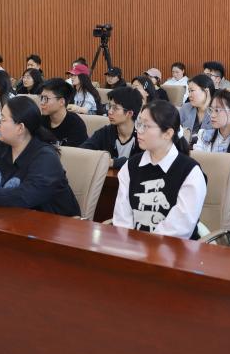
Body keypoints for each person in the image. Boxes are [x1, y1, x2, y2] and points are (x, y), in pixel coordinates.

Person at [112, 100, 207, 238]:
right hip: (131, 246)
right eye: (139, 124)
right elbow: (122, 219)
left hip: (173, 247)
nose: (139, 130)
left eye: (146, 126)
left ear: (167, 133)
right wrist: (129, 245)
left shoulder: (190, 172)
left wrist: (145, 246)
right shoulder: (131, 166)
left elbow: (179, 228)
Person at [81, 86, 142, 169]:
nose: (109, 112)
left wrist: (114, 162)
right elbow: (82, 151)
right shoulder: (105, 132)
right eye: (109, 106)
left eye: (115, 108)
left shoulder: (142, 136)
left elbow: (145, 162)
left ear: (129, 113)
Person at [36, 77, 88, 147]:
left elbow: (75, 152)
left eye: (46, 98)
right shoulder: (39, 121)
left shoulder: (76, 125)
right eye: (41, 98)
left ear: (61, 102)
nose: (42, 103)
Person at [179, 73, 215, 139]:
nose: (189, 95)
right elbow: (176, 131)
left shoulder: (216, 112)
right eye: (189, 91)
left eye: (192, 91)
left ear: (206, 91)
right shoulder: (185, 108)